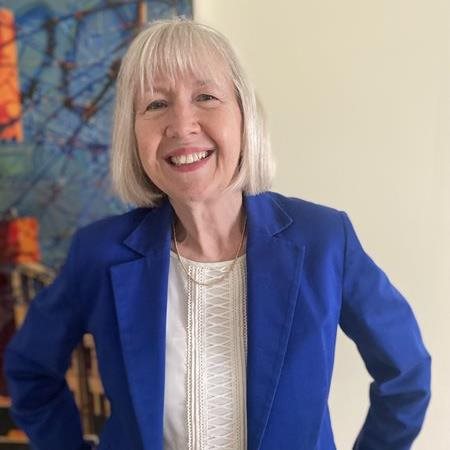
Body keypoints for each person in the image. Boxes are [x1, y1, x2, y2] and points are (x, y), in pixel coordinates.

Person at [4, 18, 431, 450]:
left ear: (244, 116)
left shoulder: (324, 241)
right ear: (131, 133)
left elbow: (406, 374)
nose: (181, 125)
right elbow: (30, 370)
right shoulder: (99, 254)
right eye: (155, 104)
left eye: (205, 97)